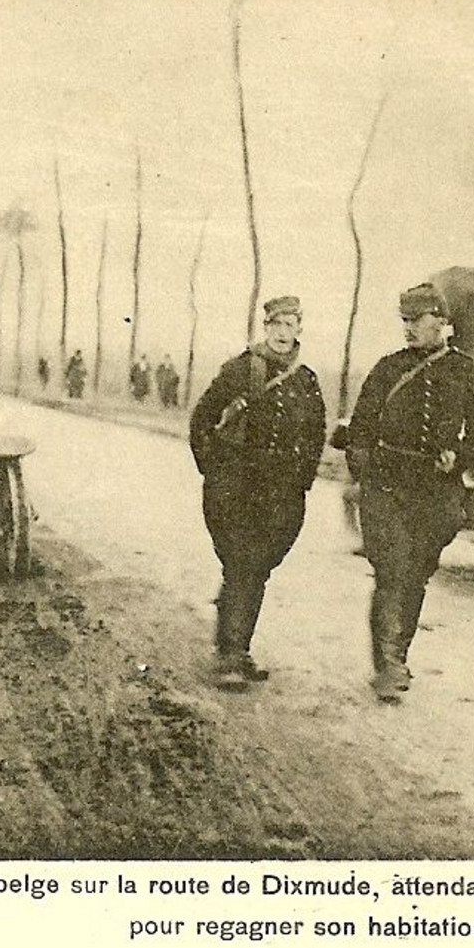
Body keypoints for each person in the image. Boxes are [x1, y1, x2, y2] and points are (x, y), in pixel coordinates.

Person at [344, 282, 474, 704]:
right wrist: (365, 472)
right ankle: (388, 664)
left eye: (417, 320)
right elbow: (360, 428)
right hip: (387, 486)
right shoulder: (388, 368)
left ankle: (397, 655)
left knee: (415, 577)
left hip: (435, 491)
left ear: (441, 323)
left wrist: (459, 457)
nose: (408, 329)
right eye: (404, 320)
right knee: (391, 570)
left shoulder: (465, 370)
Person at [189, 295, 327, 689]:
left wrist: (303, 479)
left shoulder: (307, 381)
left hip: (282, 494)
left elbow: (315, 433)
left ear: (300, 328)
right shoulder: (239, 370)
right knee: (242, 565)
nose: (283, 333)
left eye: (290, 325)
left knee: (257, 568)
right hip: (237, 489)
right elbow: (202, 420)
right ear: (265, 328)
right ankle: (230, 655)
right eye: (276, 325)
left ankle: (236, 645)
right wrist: (213, 470)